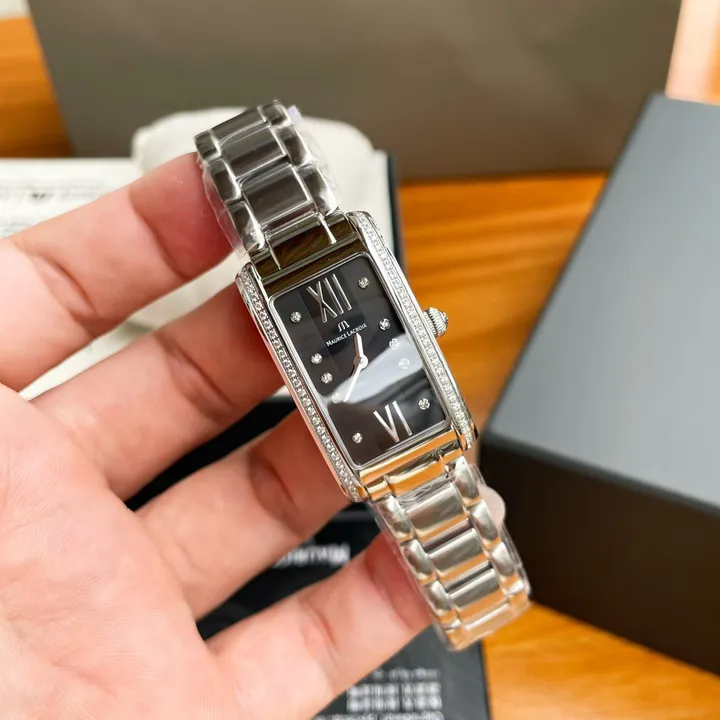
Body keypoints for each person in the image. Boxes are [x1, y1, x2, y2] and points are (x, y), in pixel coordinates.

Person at [0, 154, 504, 718]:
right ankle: (488, 596)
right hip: (386, 445)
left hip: (416, 438)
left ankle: (491, 594)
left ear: (421, 324)